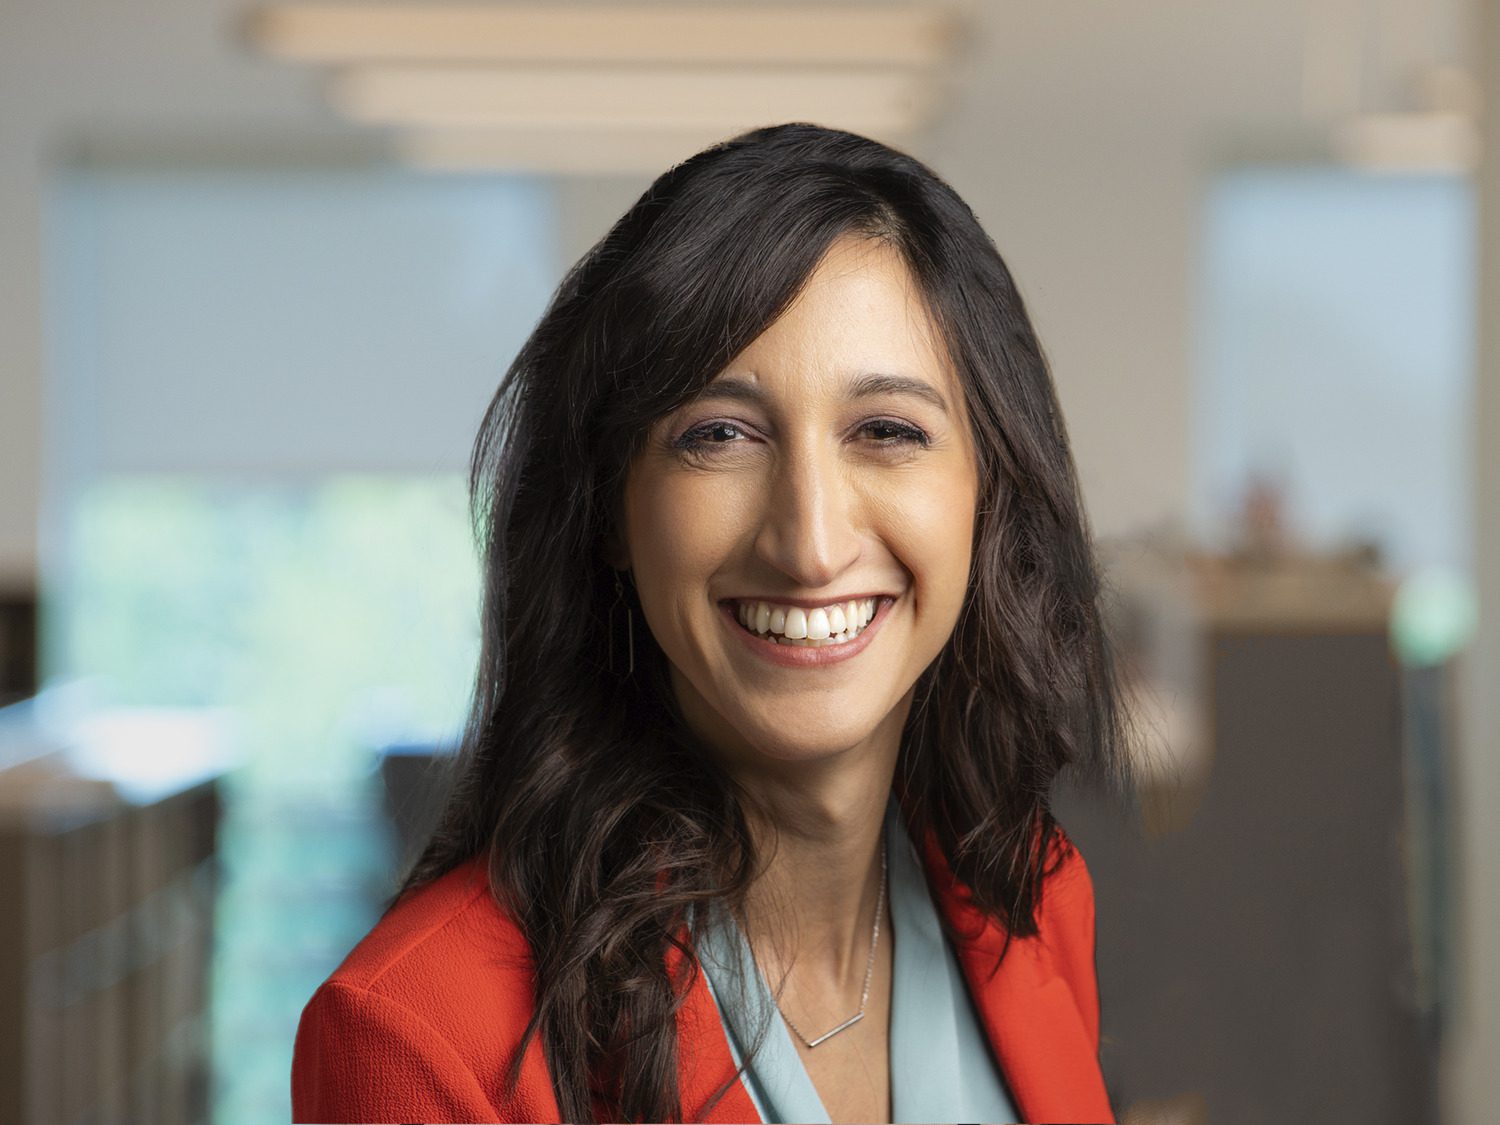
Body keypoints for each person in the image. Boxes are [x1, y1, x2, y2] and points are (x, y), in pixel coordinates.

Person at [291, 122, 1130, 1125]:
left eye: (887, 431)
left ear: (986, 490)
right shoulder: (421, 1035)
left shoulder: (1031, 905)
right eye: (720, 434)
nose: (811, 543)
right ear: (611, 507)